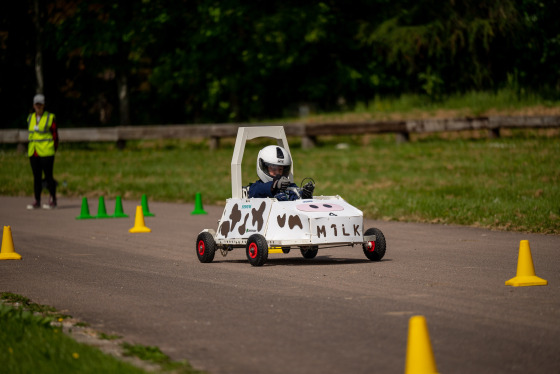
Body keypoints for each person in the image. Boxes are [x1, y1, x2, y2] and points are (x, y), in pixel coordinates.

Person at [26, 94, 59, 210]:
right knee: (36, 177)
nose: (38, 106)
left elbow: (55, 135)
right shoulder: (30, 118)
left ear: (44, 105)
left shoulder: (49, 117)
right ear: (34, 105)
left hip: (47, 152)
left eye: (40, 104)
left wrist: (53, 149)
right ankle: (37, 200)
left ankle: (53, 200)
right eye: (36, 104)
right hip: (33, 151)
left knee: (49, 176)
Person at [247, 145, 314, 201]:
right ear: (263, 167)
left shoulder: (289, 186)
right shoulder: (256, 187)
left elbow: (296, 198)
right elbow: (256, 191)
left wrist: (305, 195)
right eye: (273, 169)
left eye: (280, 169)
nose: (278, 173)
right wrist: (274, 186)